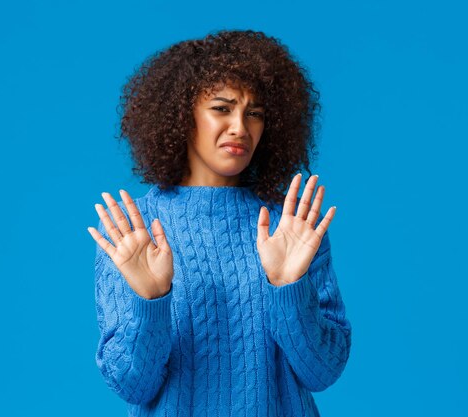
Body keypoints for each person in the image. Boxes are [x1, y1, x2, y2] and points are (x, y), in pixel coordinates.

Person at [86, 29, 352, 416]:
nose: (240, 127)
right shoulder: (133, 233)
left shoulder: (292, 228)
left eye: (255, 113)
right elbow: (132, 384)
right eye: (222, 108)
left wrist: (289, 288)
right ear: (182, 116)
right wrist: (150, 301)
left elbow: (322, 372)